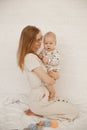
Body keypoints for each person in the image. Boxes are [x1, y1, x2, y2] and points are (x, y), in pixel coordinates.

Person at [17, 25, 79, 120]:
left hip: (44, 96)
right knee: (73, 111)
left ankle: (39, 111)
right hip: (39, 101)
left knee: (67, 102)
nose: (40, 43)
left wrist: (54, 77)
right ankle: (38, 111)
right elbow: (48, 80)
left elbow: (46, 76)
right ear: (29, 41)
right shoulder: (30, 57)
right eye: (37, 40)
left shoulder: (37, 56)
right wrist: (55, 77)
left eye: (40, 39)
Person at [38, 32, 60, 99]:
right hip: (46, 70)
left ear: (55, 43)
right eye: (46, 43)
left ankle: (52, 92)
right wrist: (40, 56)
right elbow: (41, 57)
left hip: (53, 69)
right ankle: (48, 94)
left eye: (51, 43)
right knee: (45, 81)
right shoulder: (43, 50)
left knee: (48, 80)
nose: (48, 45)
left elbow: (56, 61)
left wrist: (48, 60)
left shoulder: (56, 52)